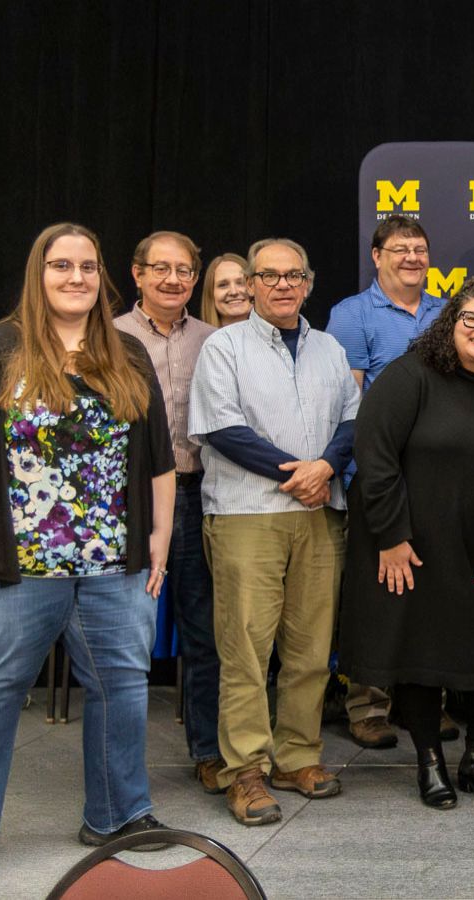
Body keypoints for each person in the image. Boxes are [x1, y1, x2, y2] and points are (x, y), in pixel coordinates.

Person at [0, 223, 175, 884]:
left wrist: (160, 537)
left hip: (114, 565)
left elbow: (157, 456)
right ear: (37, 274)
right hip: (12, 567)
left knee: (122, 688)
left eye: (87, 266)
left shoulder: (125, 351)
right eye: (60, 266)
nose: (75, 278)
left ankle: (119, 814)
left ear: (102, 277)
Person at [340, 278, 474, 809]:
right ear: (450, 325)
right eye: (470, 319)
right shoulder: (411, 377)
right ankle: (429, 761)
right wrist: (391, 537)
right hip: (414, 549)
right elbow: (374, 454)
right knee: (420, 656)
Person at [188, 236, 358, 826]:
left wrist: (327, 467)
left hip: (320, 513)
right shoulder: (223, 347)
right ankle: (246, 771)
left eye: (294, 275)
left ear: (308, 283)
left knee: (311, 650)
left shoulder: (331, 349)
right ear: (252, 284)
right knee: (246, 650)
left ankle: (297, 757)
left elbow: (352, 421)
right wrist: (300, 473)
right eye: (270, 276)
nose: (283, 285)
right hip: (246, 513)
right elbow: (222, 428)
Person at [325, 215, 448, 750]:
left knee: (430, 595)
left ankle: (422, 702)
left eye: (419, 248)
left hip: (439, 480)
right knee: (376, 594)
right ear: (377, 256)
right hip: (377, 477)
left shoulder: (448, 314)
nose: (411, 258)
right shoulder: (351, 316)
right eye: (399, 249)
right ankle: (367, 705)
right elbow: (348, 406)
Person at [114, 231, 224, 792]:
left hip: (199, 493)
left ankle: (208, 753)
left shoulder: (213, 340)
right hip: (128, 500)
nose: (172, 279)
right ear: (137, 274)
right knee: (125, 637)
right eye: (160, 268)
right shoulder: (107, 338)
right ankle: (122, 766)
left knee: (203, 633)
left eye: (184, 270)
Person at [199, 253, 252, 327]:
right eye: (223, 285)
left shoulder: (272, 336)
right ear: (211, 294)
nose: (234, 292)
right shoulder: (199, 337)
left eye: (241, 283)